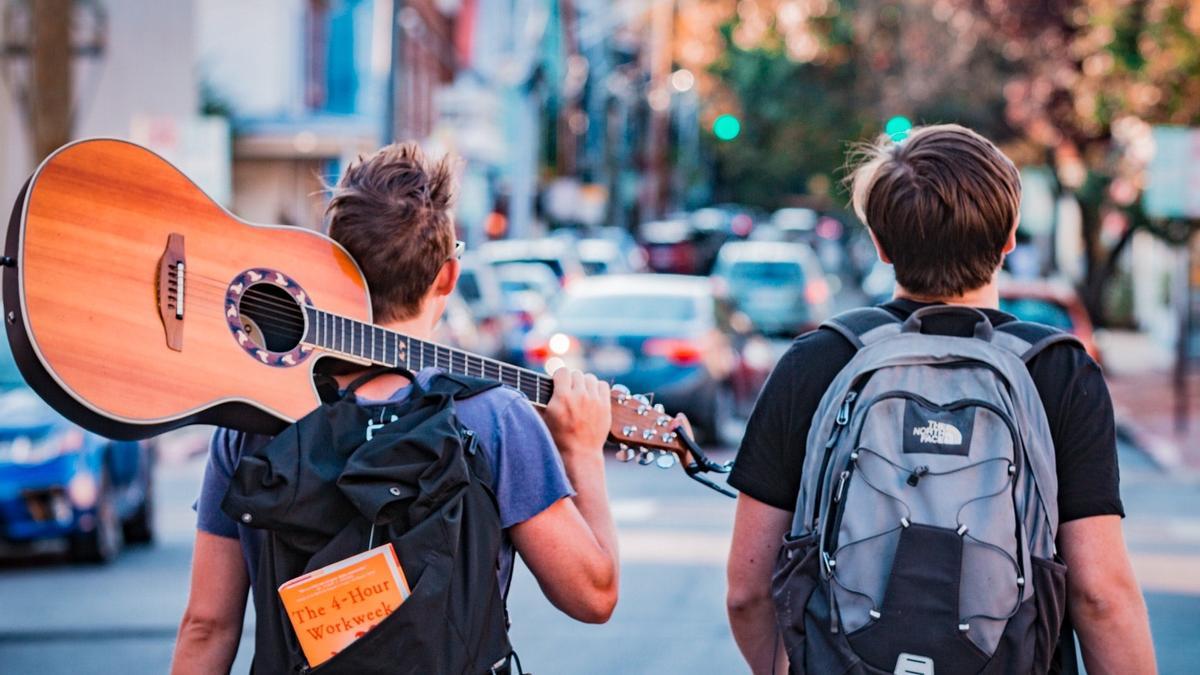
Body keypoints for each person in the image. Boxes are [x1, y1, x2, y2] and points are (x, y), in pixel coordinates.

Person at [171, 143, 620, 673]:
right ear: (448, 278)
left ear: (328, 267)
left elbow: (208, 625)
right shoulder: (492, 418)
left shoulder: (252, 420)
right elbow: (592, 596)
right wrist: (583, 452)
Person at [725, 124, 1156, 674]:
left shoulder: (818, 361)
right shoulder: (1058, 371)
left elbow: (748, 591)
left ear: (880, 245)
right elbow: (1101, 595)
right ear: (1009, 237)